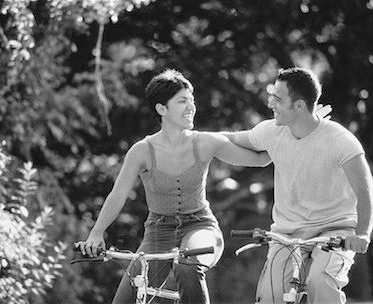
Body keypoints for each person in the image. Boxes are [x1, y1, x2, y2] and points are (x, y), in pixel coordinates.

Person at [76, 69, 271, 304]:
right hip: (158, 230)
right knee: (125, 299)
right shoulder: (142, 151)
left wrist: (290, 130)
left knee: (187, 264)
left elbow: (260, 159)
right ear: (161, 109)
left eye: (192, 100)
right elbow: (118, 194)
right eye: (182, 101)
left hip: (200, 227)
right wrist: (96, 233)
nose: (191, 106)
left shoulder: (205, 142)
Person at [223, 67, 373, 304]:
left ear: (298, 106)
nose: (270, 103)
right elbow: (232, 139)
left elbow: (365, 191)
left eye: (277, 98)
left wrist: (363, 234)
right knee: (270, 297)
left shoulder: (340, 140)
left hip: (334, 232)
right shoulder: (272, 132)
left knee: (320, 281)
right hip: (287, 233)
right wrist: (195, 139)